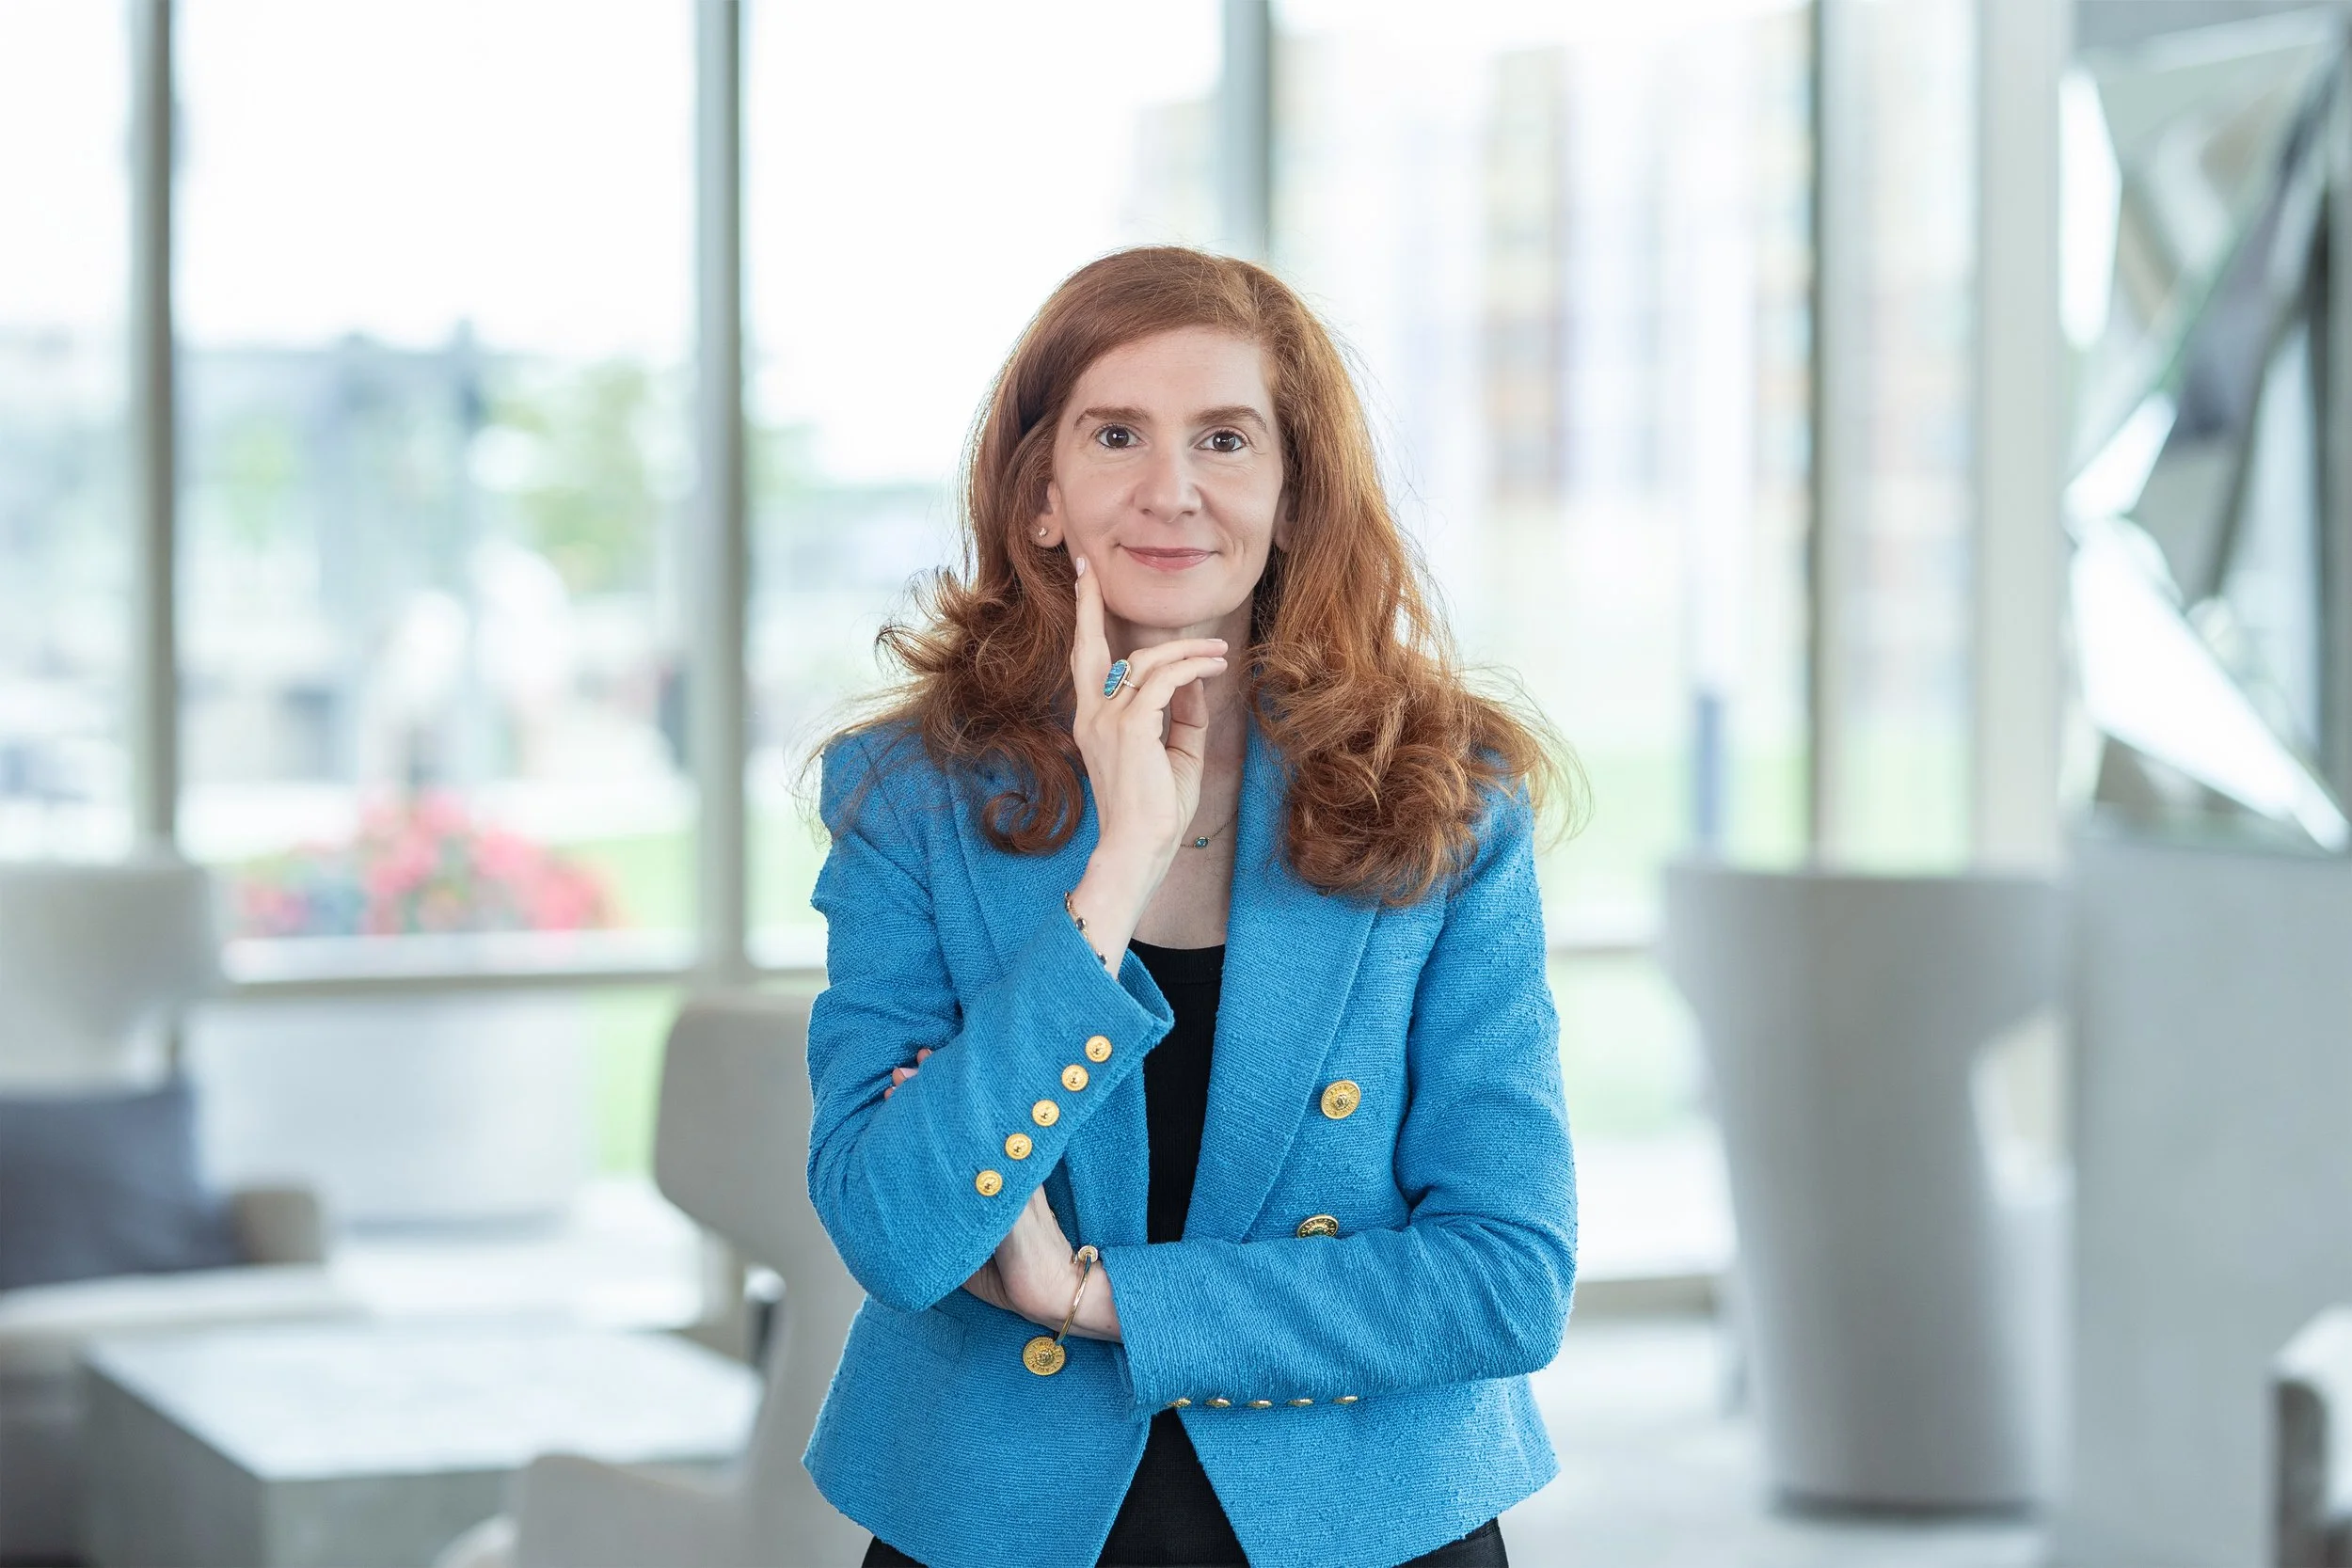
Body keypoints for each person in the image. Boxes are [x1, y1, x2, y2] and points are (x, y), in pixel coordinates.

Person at [802, 245, 1579, 1568]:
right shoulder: (908, 794)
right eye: (1117, 435)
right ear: (1041, 495)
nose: (1171, 490)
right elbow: (896, 1228)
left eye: (1225, 439)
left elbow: (1506, 1280)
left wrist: (1096, 1295)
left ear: (1292, 493)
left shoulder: (1446, 792)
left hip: (1367, 1519)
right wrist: (1116, 871)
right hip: (995, 1517)